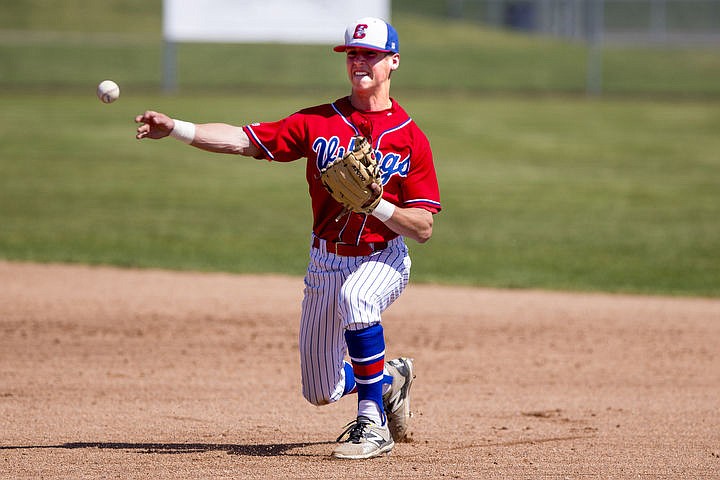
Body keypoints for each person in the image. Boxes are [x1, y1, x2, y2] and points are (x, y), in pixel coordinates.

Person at [135, 16, 441, 460]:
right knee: (320, 389)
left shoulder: (412, 139)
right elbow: (243, 139)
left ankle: (372, 425)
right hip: (325, 262)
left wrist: (377, 205)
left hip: (383, 257)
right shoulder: (318, 122)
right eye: (353, 53)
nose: (359, 61)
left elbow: (423, 227)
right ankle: (389, 378)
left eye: (370, 54)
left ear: (392, 61)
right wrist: (178, 128)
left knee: (358, 299)